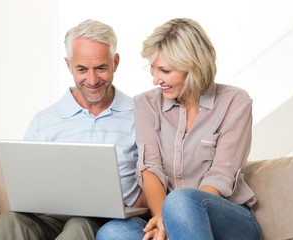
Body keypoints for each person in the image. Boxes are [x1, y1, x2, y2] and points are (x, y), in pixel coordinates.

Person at [96, 18, 261, 240]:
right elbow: (149, 168)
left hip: (228, 219)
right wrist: (164, 219)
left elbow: (222, 174)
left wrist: (177, 213)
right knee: (112, 232)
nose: (156, 80)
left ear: (193, 66)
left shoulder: (235, 102)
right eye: (152, 69)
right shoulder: (146, 104)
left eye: (164, 70)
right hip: (167, 214)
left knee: (180, 201)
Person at [0, 19, 146, 240]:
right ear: (69, 65)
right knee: (9, 220)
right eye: (82, 69)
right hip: (52, 218)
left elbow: (156, 179)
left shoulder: (139, 115)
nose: (92, 80)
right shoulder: (44, 121)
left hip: (111, 221)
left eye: (100, 68)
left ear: (115, 63)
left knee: (78, 226)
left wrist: (135, 205)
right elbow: (25, 187)